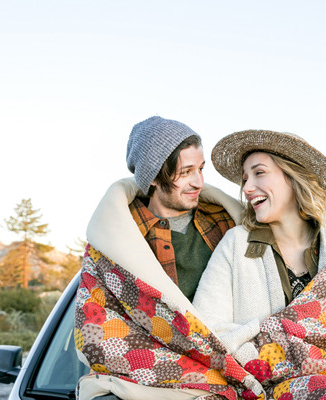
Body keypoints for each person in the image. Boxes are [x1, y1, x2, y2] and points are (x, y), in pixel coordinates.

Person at [76, 116, 242, 400]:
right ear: (153, 177)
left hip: (235, 356)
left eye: (200, 169)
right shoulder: (118, 237)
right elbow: (94, 327)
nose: (198, 182)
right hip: (160, 380)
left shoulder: (226, 221)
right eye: (186, 171)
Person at [193, 129, 326, 358]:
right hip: (262, 384)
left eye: (259, 173)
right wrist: (277, 348)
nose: (246, 188)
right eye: (245, 179)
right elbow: (206, 330)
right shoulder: (235, 245)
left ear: (293, 177)